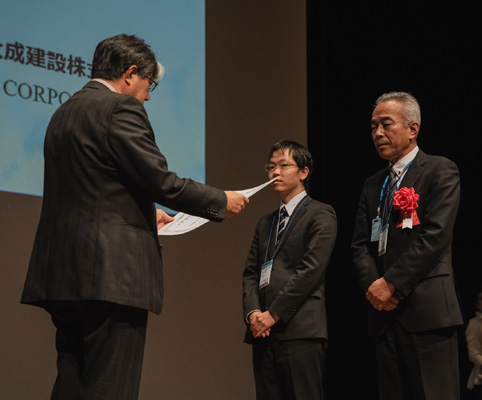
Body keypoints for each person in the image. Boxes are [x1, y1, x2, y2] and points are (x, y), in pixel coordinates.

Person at [20, 34, 249, 399]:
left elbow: (91, 188)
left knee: (71, 383)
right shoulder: (120, 108)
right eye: (148, 84)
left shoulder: (63, 112)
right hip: (111, 275)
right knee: (109, 387)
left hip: (63, 275)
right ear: (129, 74)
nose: (147, 96)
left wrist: (143, 211)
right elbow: (161, 181)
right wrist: (221, 200)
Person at [351, 92, 464, 399]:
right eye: (373, 126)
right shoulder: (373, 184)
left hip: (427, 311)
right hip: (383, 314)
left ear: (413, 129)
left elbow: (435, 236)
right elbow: (360, 245)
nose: (378, 133)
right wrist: (374, 287)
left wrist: (392, 283)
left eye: (386, 124)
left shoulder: (440, 170)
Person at [242, 140, 337, 400]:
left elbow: (311, 270)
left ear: (304, 172)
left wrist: (274, 313)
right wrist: (254, 314)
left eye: (284, 166)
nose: (275, 172)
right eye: (271, 167)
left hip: (300, 332)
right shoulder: (265, 223)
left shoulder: (320, 213)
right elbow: (250, 273)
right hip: (263, 332)